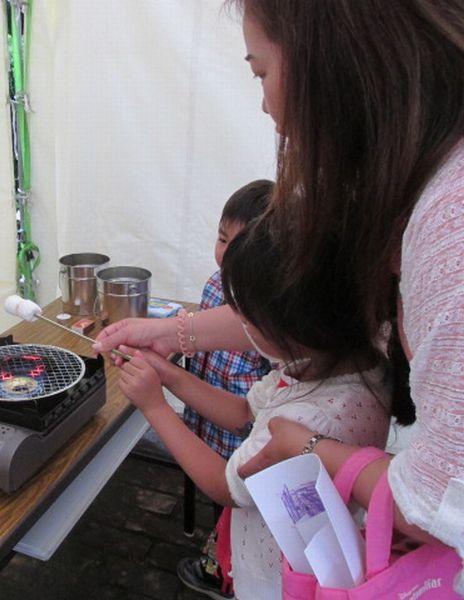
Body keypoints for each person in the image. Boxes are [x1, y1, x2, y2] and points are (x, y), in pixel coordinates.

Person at [95, 0, 464, 592]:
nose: (265, 104)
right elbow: (248, 402)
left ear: (333, 61)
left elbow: (435, 506)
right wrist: (171, 356)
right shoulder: (331, 365)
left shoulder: (449, 219)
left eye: (261, 72)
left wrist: (160, 404)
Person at [118, 216, 392, 599]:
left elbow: (224, 486)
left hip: (282, 581)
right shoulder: (331, 362)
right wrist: (167, 373)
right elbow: (240, 412)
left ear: (293, 325)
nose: (241, 325)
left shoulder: (307, 416)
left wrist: (155, 408)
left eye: (249, 318)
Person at [177, 179, 273, 598]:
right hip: (205, 424)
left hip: (246, 448)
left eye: (240, 244)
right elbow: (195, 349)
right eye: (220, 238)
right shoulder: (215, 287)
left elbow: (254, 407)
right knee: (222, 510)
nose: (225, 254)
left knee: (236, 506)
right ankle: (220, 557)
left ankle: (225, 573)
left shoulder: (274, 312)